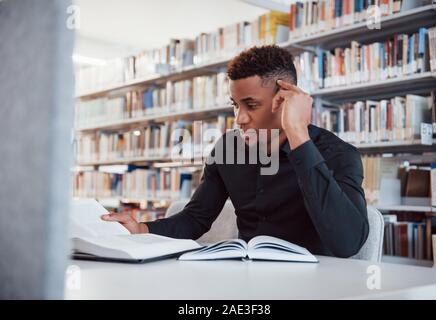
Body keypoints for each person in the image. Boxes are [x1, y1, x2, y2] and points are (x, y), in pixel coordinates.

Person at [102, 45, 369, 258]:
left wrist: (298, 133)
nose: (239, 119)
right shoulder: (228, 148)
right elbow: (196, 218)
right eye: (235, 105)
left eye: (251, 105)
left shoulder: (338, 155)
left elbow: (347, 243)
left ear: (285, 100)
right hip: (247, 280)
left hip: (313, 285)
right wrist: (143, 228)